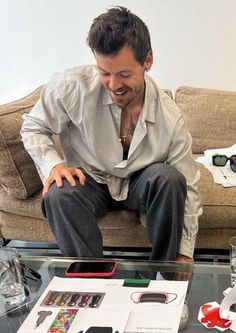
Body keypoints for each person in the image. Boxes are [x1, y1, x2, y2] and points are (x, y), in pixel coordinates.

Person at [21, 6, 202, 263]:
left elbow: (189, 185)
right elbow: (33, 127)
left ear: (147, 60)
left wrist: (184, 252)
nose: (114, 85)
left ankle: (166, 272)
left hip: (139, 183)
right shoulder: (70, 88)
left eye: (124, 74)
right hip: (90, 180)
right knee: (58, 192)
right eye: (105, 73)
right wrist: (54, 165)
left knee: (170, 179)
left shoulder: (170, 116)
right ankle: (91, 280)